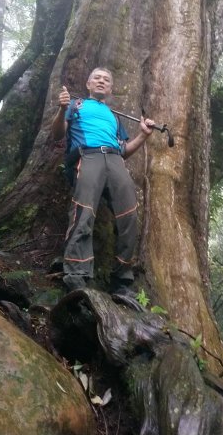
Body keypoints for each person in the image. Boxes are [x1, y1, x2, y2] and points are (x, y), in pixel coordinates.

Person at [51, 67, 154, 294]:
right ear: (88, 84)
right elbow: (58, 134)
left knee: (129, 215)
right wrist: (62, 109)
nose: (101, 81)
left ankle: (121, 280)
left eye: (106, 79)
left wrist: (143, 135)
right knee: (84, 211)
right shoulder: (76, 105)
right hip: (88, 156)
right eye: (97, 78)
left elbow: (124, 149)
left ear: (110, 88)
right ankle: (76, 273)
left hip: (115, 159)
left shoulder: (114, 116)